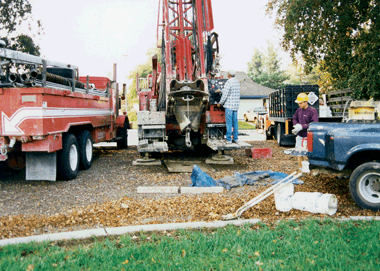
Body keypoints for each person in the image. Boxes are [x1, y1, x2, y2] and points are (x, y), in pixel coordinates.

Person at [292, 92, 318, 171]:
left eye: (300, 103)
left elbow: (314, 124)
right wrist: (296, 126)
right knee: (299, 154)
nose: (299, 104)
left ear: (305, 102)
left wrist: (302, 127)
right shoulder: (298, 110)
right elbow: (294, 118)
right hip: (300, 136)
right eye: (298, 103)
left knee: (308, 154)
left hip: (308, 136)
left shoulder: (313, 111)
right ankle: (300, 170)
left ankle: (310, 169)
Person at [217, 70, 240, 144]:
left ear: (228, 75)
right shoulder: (237, 82)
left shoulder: (228, 82)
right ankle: (236, 138)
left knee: (229, 123)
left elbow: (225, 94)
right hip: (236, 106)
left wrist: (220, 103)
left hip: (229, 106)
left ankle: (228, 139)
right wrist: (220, 90)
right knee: (235, 122)